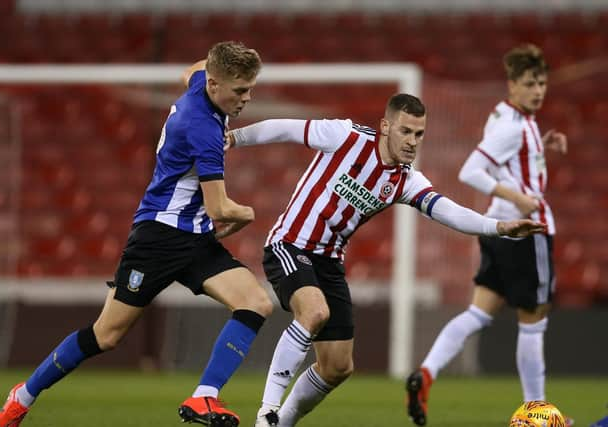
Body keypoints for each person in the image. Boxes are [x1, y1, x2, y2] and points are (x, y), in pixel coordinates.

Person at [0, 41, 273, 427]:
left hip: (195, 239)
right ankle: (22, 397)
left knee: (256, 302)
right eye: (240, 90)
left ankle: (204, 397)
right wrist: (247, 213)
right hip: (158, 237)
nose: (247, 98)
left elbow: (190, 69)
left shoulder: (200, 86)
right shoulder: (203, 129)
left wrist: (218, 68)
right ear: (214, 85)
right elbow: (220, 208)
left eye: (250, 88)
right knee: (106, 335)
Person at [225, 93, 545, 427]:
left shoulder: (405, 181)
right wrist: (235, 137)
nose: (412, 141)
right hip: (290, 244)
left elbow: (449, 211)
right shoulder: (344, 137)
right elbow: (284, 129)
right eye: (405, 131)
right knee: (315, 311)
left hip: (329, 261)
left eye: (419, 134)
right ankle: (267, 412)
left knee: (337, 367)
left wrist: (499, 227)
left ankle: (281, 423)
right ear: (385, 126)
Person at [405, 44, 571, 426]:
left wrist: (540, 147)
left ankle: (426, 372)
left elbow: (508, 155)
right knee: (534, 321)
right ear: (513, 84)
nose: (538, 90)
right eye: (530, 83)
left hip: (498, 233)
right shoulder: (513, 126)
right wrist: (518, 197)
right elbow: (472, 170)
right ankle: (538, 412)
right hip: (526, 232)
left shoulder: (506, 115)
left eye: (542, 83)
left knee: (478, 312)